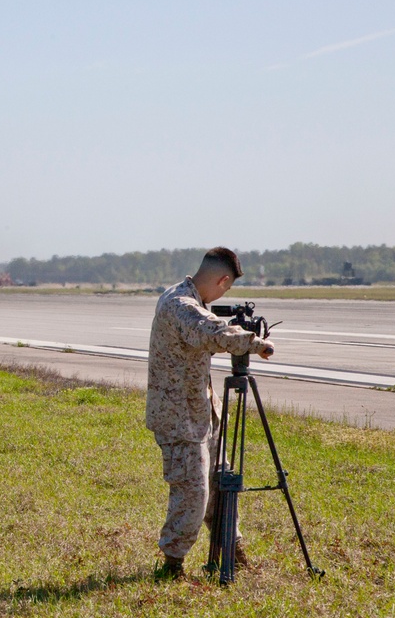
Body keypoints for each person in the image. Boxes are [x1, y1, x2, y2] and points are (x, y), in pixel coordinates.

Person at [145, 247, 274, 580]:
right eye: (226, 289)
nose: (223, 295)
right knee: (194, 492)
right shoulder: (179, 305)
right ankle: (172, 563)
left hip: (202, 412)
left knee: (222, 483)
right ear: (222, 280)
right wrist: (253, 343)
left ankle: (231, 550)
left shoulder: (190, 300)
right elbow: (211, 332)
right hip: (178, 418)